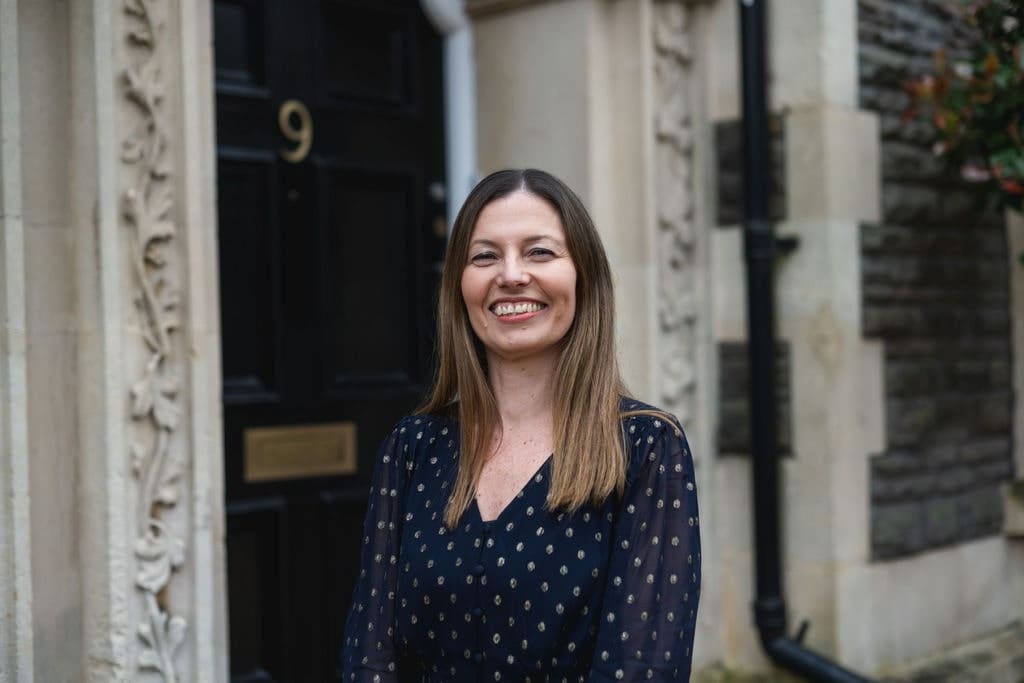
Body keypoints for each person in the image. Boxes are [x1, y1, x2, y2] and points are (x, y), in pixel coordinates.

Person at [340, 169, 700, 682]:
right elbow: (369, 655)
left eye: (540, 252)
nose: (511, 275)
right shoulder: (412, 449)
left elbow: (641, 667)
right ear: (459, 286)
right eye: (485, 256)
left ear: (583, 278)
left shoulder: (645, 448)